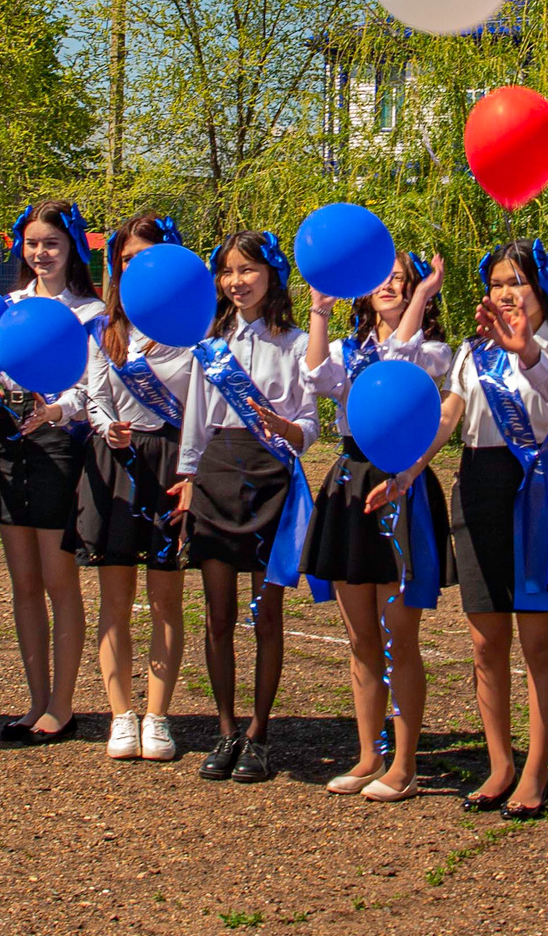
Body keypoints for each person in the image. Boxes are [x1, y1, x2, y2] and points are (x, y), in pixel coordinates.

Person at [302, 250, 456, 802]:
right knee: (361, 637)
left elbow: (400, 357)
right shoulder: (348, 348)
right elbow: (319, 378)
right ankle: (370, 754)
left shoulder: (436, 350)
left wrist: (421, 296)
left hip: (401, 484)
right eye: (383, 280)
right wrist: (319, 312)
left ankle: (406, 762)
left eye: (402, 280)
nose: (390, 286)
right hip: (349, 480)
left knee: (400, 639)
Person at [168, 231, 315, 785]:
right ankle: (225, 728)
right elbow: (196, 418)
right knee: (218, 614)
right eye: (228, 271)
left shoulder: (297, 343)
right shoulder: (211, 341)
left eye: (249, 269)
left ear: (272, 274)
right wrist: (187, 479)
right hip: (217, 474)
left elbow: (310, 423)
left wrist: (289, 430)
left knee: (266, 613)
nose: (238, 281)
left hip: (270, 475)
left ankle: (259, 733)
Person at [451, 241, 548, 818]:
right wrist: (409, 469)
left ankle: (535, 769)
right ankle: (499, 762)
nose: (507, 293)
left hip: (537, 495)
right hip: (477, 489)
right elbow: (449, 416)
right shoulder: (474, 352)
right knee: (486, 644)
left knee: (537, 644)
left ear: (544, 288)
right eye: (498, 283)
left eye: (519, 282)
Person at [79, 214, 197, 764]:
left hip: (172, 462)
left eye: (147, 257)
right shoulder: (108, 329)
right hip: (116, 464)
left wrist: (193, 472)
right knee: (115, 599)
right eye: (126, 259)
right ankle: (120, 713)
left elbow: (202, 405)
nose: (135, 267)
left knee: (165, 597)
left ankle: (158, 715)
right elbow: (94, 395)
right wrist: (109, 427)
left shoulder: (195, 329)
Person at [0, 199, 102, 743]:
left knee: (60, 583)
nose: (40, 253)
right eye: (32, 243)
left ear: (71, 247)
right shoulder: (7, 306)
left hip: (59, 448)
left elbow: (93, 388)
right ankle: (34, 701)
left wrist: (57, 410)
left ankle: (62, 703)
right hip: (10, 445)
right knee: (24, 583)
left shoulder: (90, 311)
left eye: (51, 243)